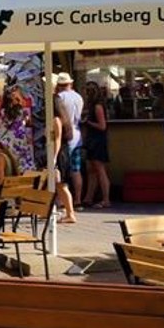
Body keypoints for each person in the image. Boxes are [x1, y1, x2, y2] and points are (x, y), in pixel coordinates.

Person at [54, 73, 84, 206]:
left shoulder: (59, 98)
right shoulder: (78, 97)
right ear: (70, 83)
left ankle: (62, 200)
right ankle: (77, 198)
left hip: (64, 135)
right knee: (76, 170)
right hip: (77, 134)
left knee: (62, 171)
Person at [81, 82, 111, 208]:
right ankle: (89, 197)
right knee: (91, 170)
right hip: (92, 139)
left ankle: (106, 199)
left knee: (99, 169)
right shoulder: (92, 106)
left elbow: (102, 126)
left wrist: (88, 122)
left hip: (97, 140)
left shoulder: (97, 106)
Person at [50, 94, 78, 224]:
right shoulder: (61, 118)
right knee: (57, 184)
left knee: (61, 184)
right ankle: (49, 209)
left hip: (60, 153)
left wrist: (54, 157)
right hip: (62, 152)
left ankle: (70, 213)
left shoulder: (56, 119)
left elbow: (57, 139)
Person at [0, 86, 35, 171]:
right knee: (21, 163)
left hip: (6, 141)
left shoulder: (2, 112)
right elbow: (29, 123)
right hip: (19, 140)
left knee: (9, 163)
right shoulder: (22, 111)